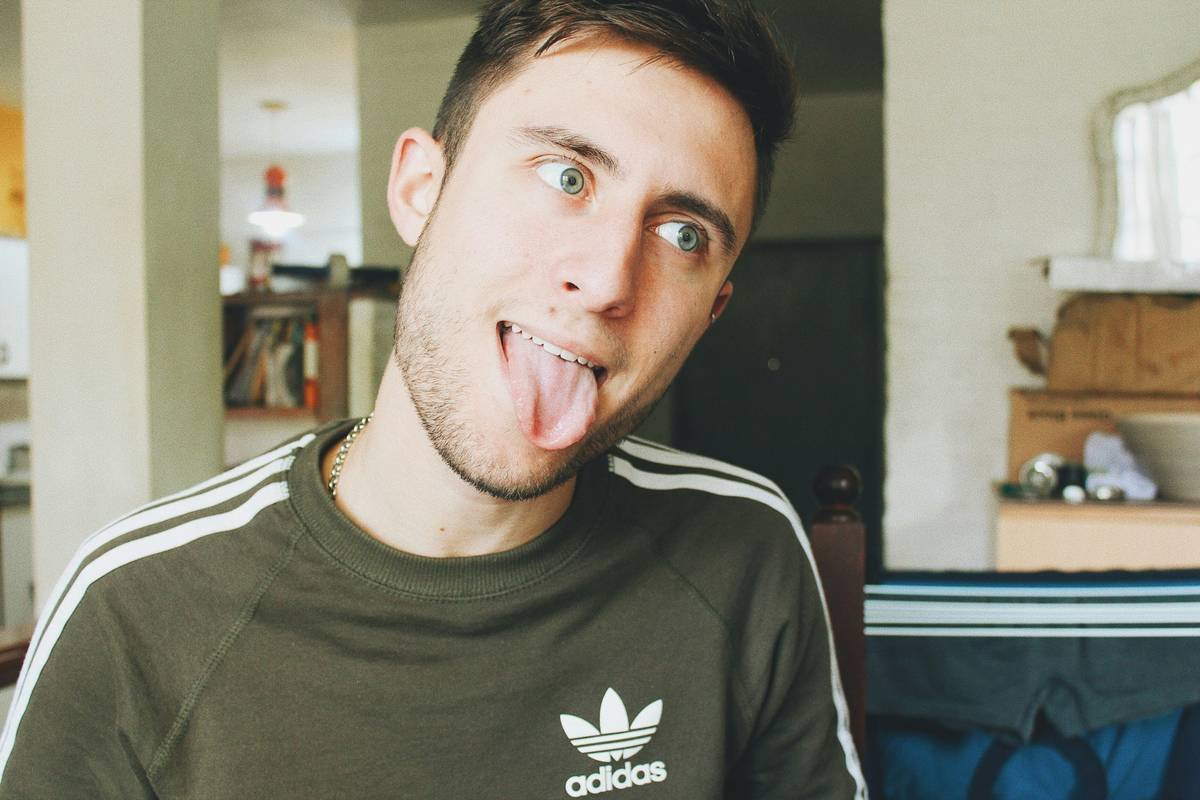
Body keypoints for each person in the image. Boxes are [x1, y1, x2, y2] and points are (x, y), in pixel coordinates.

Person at [0, 1, 865, 797]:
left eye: (684, 234)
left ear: (712, 309)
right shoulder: (136, 608)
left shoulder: (745, 550)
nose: (607, 279)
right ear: (421, 188)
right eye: (566, 176)